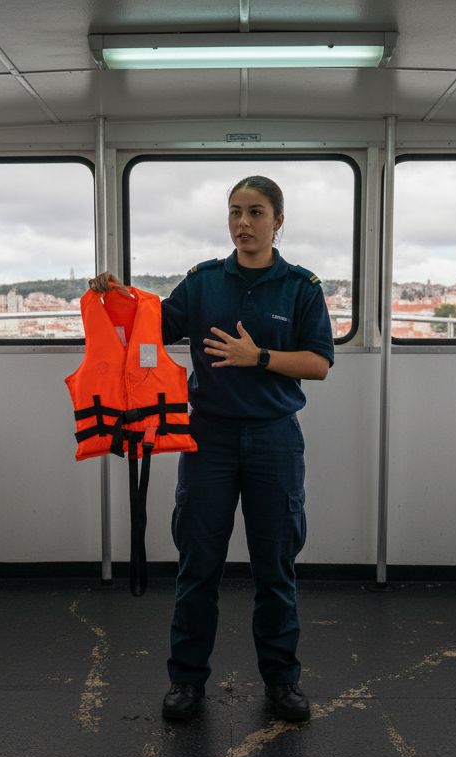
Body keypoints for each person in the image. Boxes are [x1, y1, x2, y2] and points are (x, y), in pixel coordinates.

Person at [91, 175, 334, 723]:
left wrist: (260, 357)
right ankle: (186, 681)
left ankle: (281, 681)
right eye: (234, 213)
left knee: (276, 567)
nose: (243, 223)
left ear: (278, 221)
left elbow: (319, 363)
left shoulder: (300, 286)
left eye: (255, 213)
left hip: (274, 437)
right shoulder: (202, 282)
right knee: (198, 565)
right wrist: (115, 298)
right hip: (209, 438)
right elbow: (153, 325)